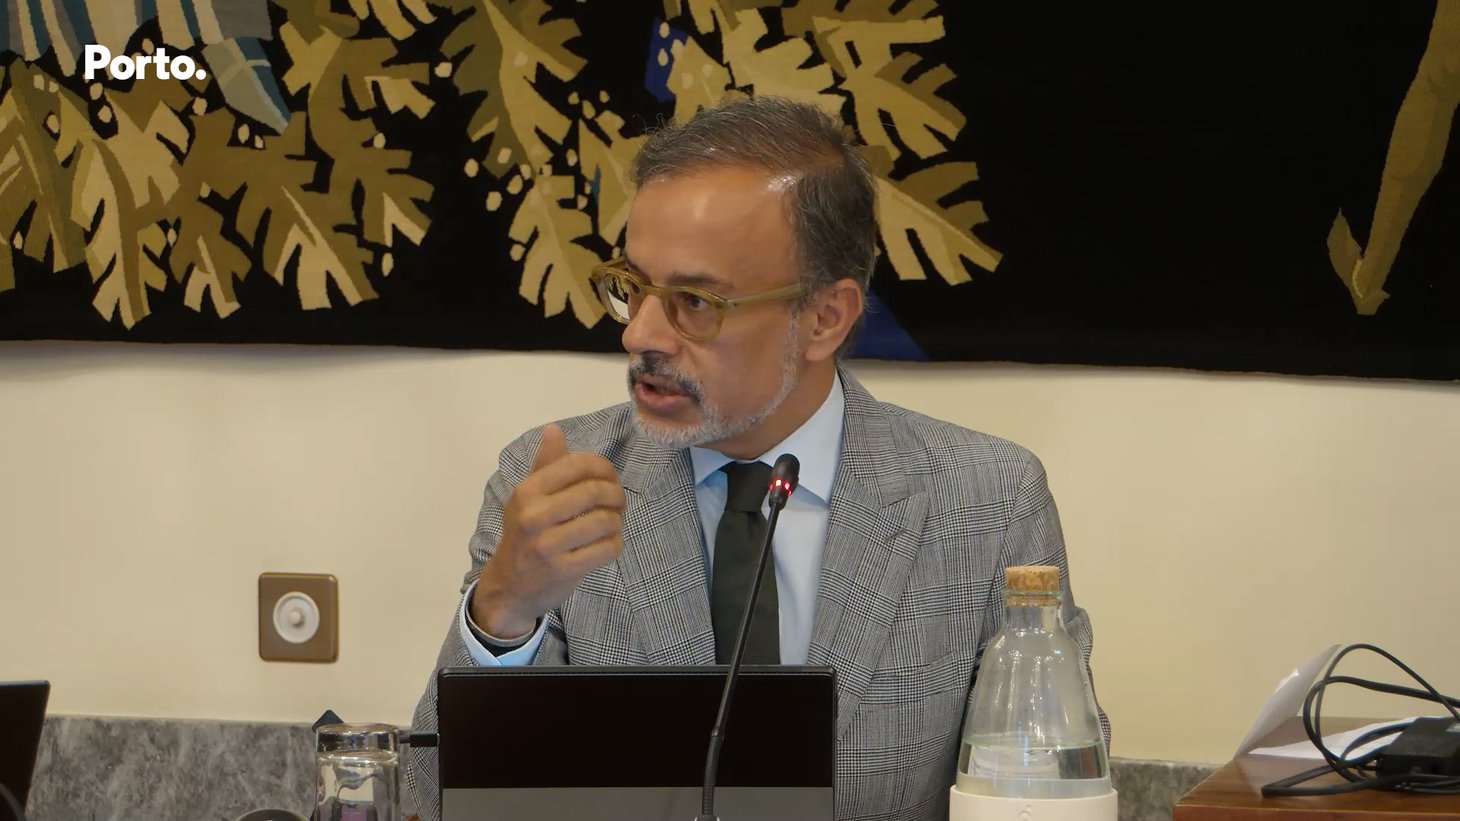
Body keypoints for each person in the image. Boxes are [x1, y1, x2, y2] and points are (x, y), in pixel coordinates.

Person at [407, 95, 1106, 821]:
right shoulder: (557, 483)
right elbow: (438, 798)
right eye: (633, 287)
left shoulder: (986, 501)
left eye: (694, 301)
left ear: (825, 317)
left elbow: (1052, 796)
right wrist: (504, 607)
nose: (640, 334)